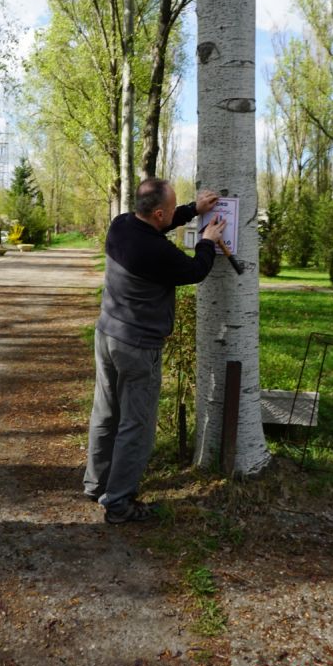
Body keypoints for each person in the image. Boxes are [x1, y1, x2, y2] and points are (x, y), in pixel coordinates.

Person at [83, 178, 226, 524]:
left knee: (106, 413)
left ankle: (96, 483)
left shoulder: (121, 225)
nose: (177, 212)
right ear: (158, 212)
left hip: (106, 335)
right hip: (137, 345)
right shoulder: (157, 252)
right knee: (137, 423)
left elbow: (161, 222)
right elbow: (194, 271)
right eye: (174, 207)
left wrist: (193, 210)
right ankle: (118, 503)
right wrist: (207, 241)